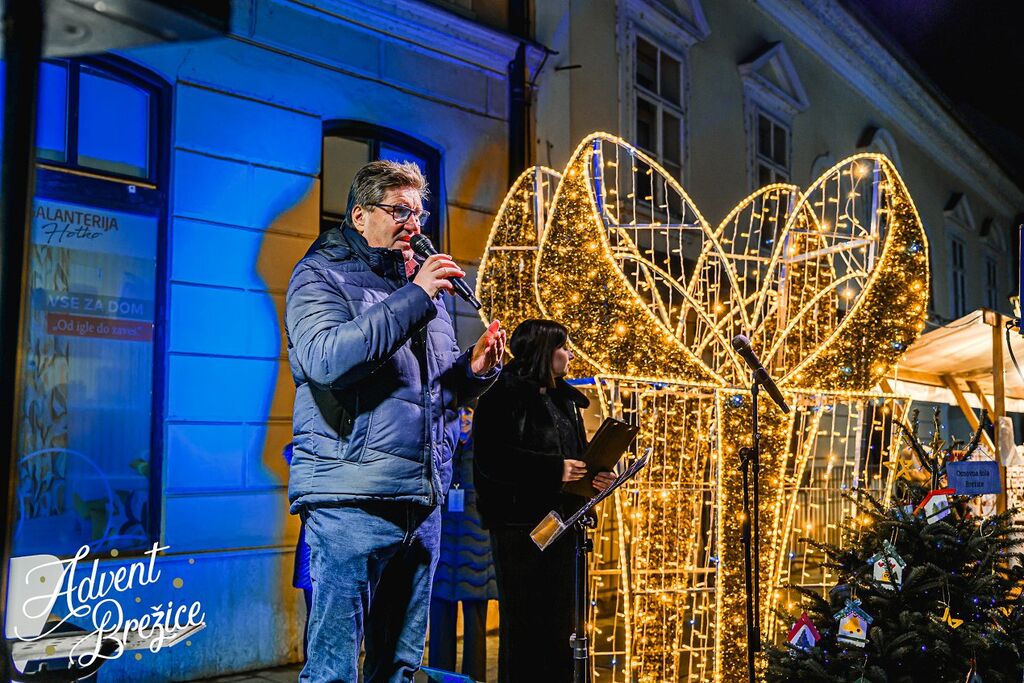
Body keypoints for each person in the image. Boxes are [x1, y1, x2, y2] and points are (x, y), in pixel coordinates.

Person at [285, 159, 505, 683]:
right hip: (350, 503)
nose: (415, 223)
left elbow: (434, 392)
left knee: (399, 670)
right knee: (335, 672)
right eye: (400, 210)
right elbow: (328, 361)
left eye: (420, 211)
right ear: (360, 217)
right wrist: (417, 296)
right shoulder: (319, 276)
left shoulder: (421, 291)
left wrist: (473, 372)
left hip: (420, 503)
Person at [473, 319, 615, 683]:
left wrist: (594, 475)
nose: (570, 354)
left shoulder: (563, 398)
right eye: (564, 347)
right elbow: (491, 459)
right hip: (520, 530)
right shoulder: (501, 391)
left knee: (563, 627)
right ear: (544, 350)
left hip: (564, 527)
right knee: (526, 630)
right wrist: (553, 470)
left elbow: (575, 458)